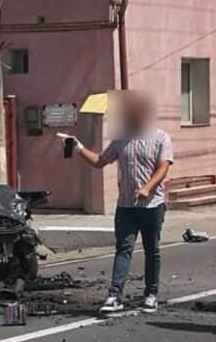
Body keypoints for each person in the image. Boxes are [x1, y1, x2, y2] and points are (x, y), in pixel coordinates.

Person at [64, 92, 173, 314]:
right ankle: (115, 295)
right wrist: (78, 148)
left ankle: (151, 293)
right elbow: (99, 161)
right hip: (125, 206)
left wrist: (147, 188)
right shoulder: (121, 139)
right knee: (123, 248)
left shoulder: (161, 137)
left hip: (152, 205)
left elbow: (163, 167)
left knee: (152, 250)